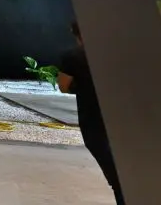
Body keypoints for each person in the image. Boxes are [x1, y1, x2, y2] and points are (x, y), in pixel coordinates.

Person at [59, 22, 124, 205]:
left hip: (93, 122)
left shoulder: (73, 57)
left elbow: (63, 86)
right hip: (123, 122)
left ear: (75, 33)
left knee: (117, 181)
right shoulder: (117, 54)